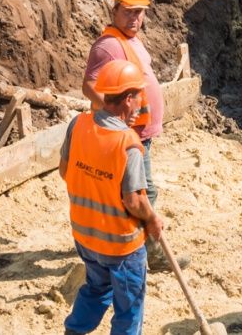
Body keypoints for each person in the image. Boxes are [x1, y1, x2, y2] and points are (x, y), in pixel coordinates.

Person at [82, 0, 187, 272]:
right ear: (114, 10)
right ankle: (148, 253)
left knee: (135, 191)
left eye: (139, 12)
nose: (135, 18)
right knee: (143, 192)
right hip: (130, 135)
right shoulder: (108, 46)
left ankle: (123, 245)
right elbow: (89, 86)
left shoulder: (131, 40)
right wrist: (115, 119)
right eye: (128, 12)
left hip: (141, 132)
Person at [60, 60, 163, 335]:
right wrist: (152, 218)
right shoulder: (128, 143)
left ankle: (74, 331)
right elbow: (134, 201)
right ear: (128, 99)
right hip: (120, 246)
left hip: (85, 236)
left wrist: (95, 186)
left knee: (96, 287)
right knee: (129, 306)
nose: (141, 106)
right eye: (139, 98)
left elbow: (65, 171)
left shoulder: (78, 124)